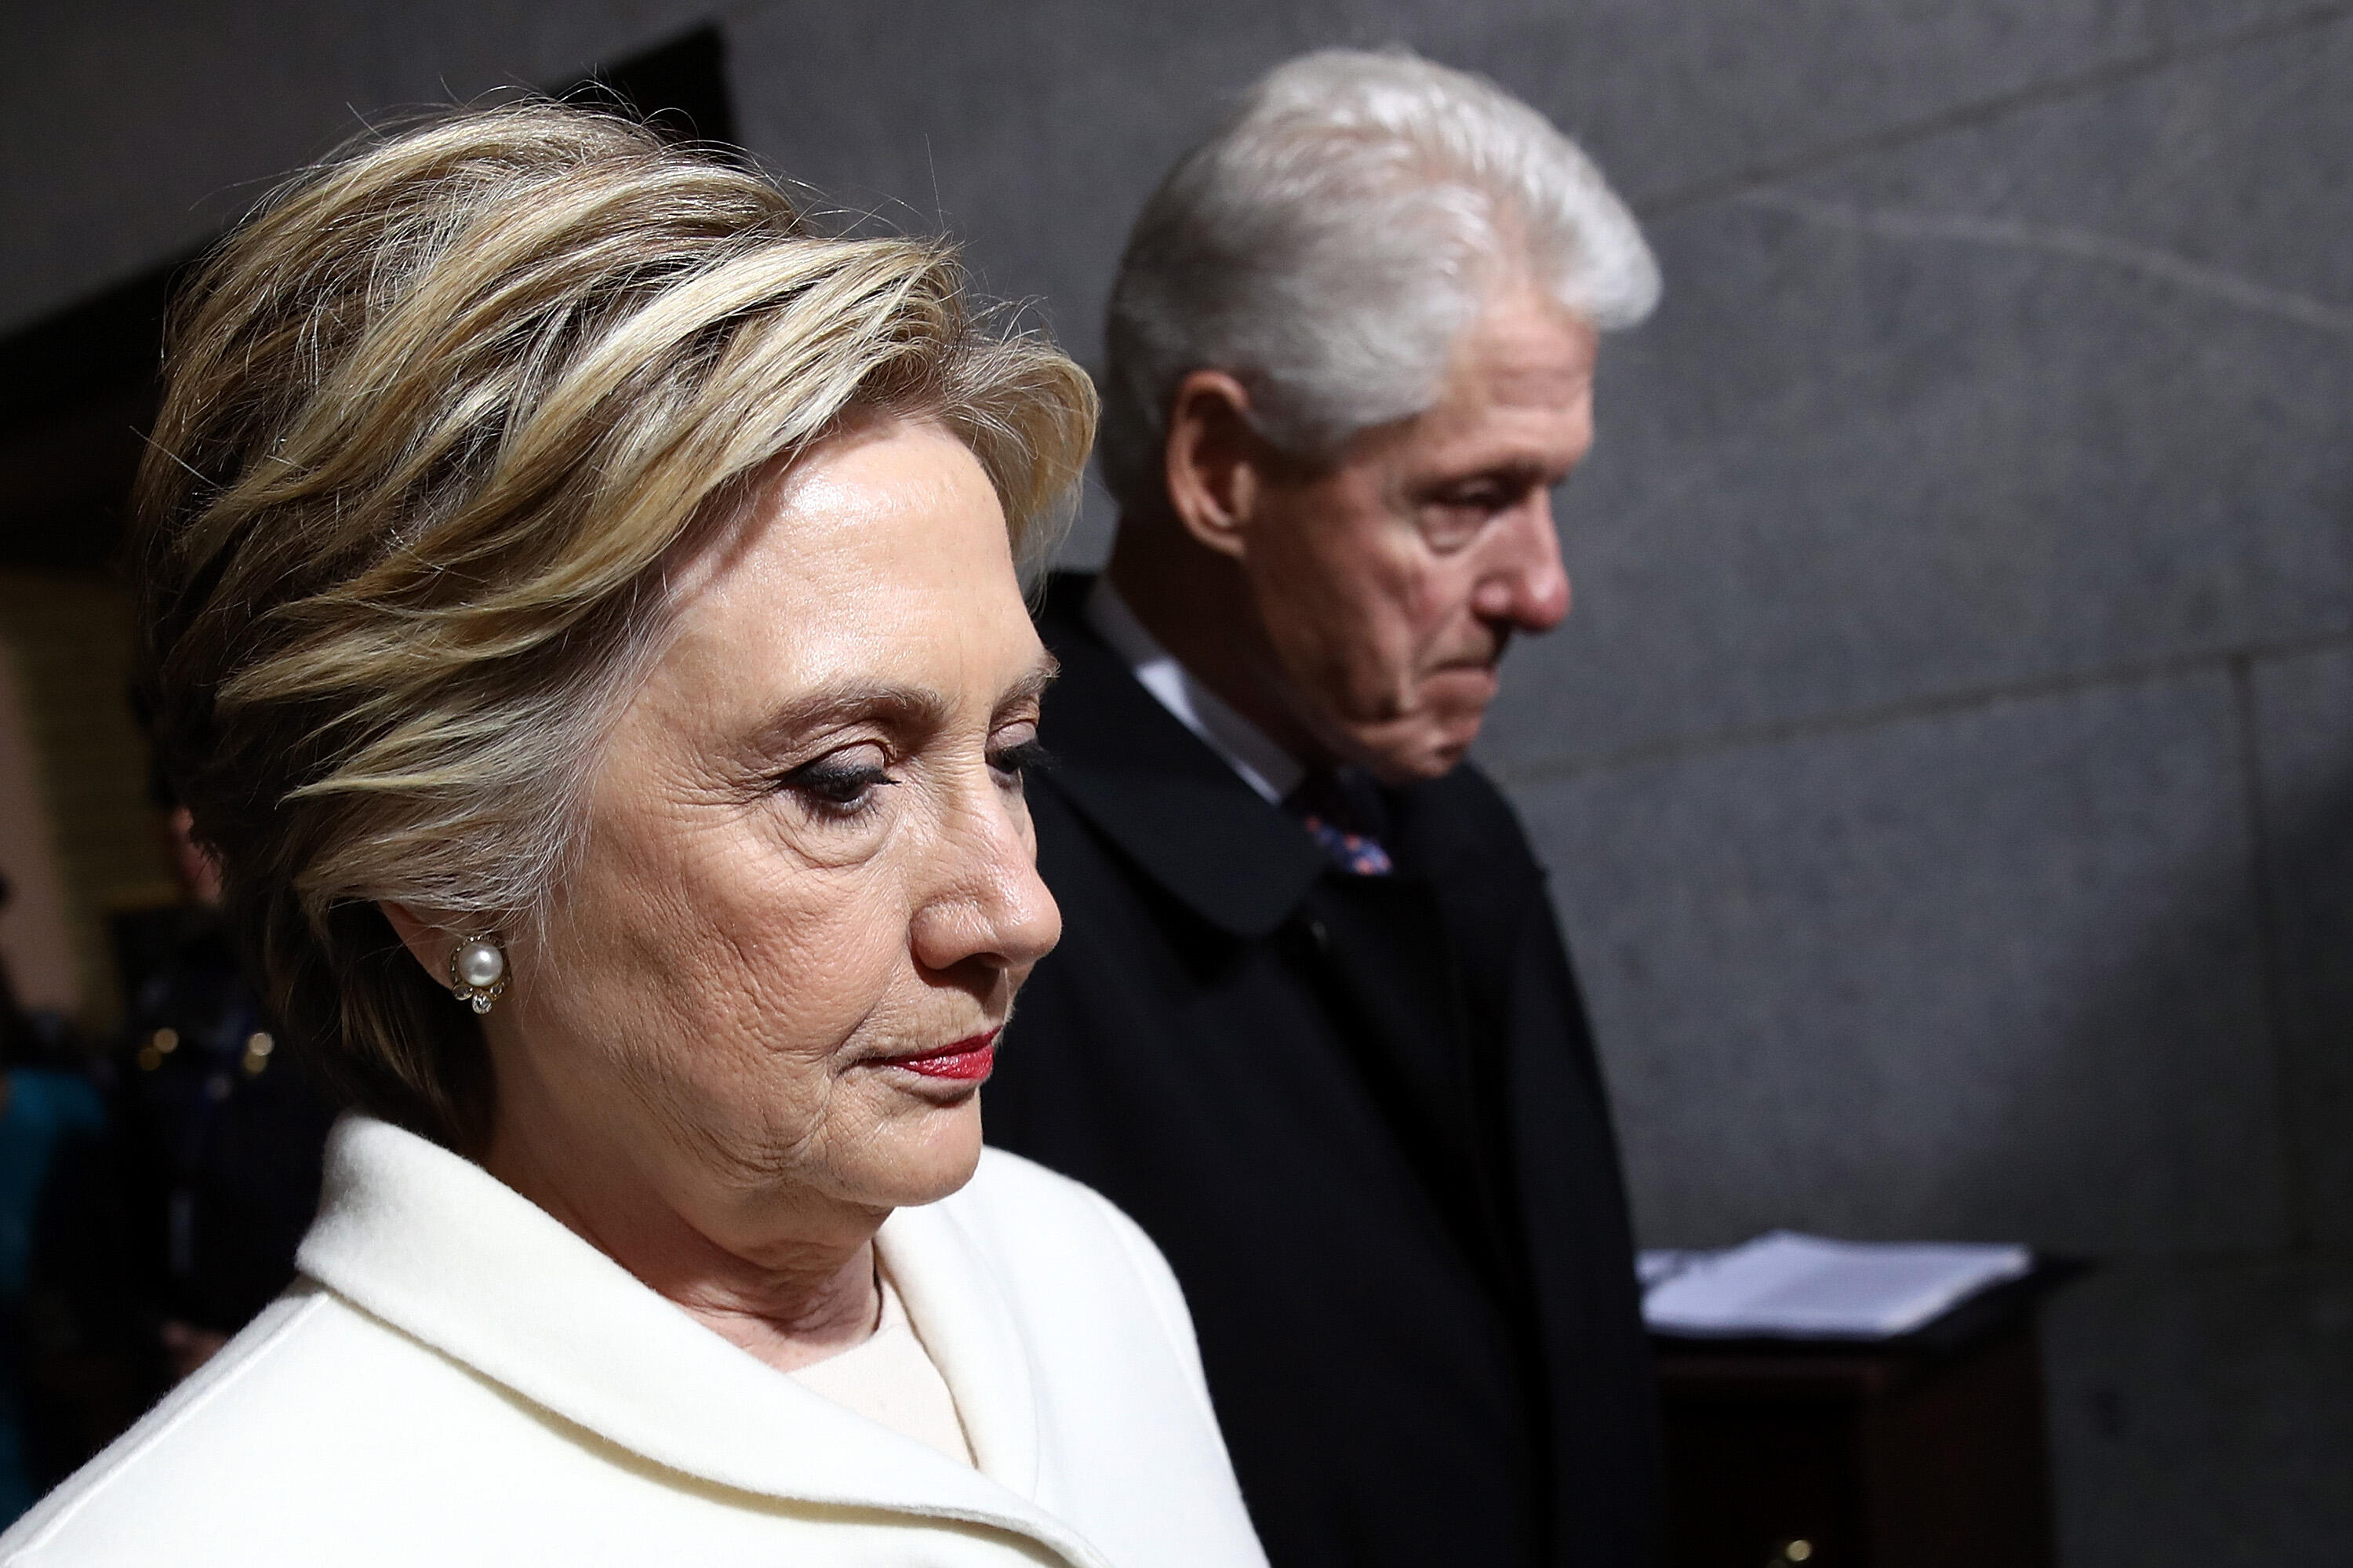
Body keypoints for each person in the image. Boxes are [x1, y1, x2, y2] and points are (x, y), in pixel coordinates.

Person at [1, 104, 1264, 1568]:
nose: (1017, 910)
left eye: (1013, 751)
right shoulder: (208, 1538)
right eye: (844, 783)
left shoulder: (1083, 1273)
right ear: (436, 858)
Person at [982, 50, 1667, 1568]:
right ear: (1223, 467)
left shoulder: (1454, 827)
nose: (1545, 592)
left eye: (1550, 492)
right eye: (1465, 499)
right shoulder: (989, 878)